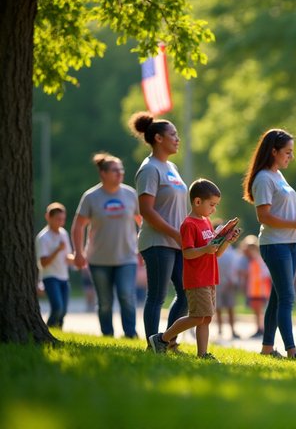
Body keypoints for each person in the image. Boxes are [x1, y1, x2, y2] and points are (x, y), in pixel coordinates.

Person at [243, 128, 296, 361]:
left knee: (278, 297)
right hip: (275, 244)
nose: (291, 157)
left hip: (290, 242)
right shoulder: (264, 178)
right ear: (273, 151)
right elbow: (263, 216)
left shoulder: (277, 174)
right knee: (287, 297)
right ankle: (292, 351)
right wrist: (293, 223)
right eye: (287, 152)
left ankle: (267, 348)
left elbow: (280, 211)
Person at [148, 179, 240, 359]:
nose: (214, 209)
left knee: (206, 318)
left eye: (216, 205)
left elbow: (216, 253)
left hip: (210, 277)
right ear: (197, 202)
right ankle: (162, 338)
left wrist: (227, 240)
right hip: (197, 279)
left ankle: (202, 354)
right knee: (198, 317)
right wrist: (206, 249)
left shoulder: (206, 221)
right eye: (212, 204)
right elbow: (187, 253)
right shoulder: (189, 224)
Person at [129, 111, 189, 349]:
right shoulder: (149, 169)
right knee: (157, 296)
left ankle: (167, 341)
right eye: (173, 134)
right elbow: (146, 210)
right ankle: (152, 344)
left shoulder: (171, 166)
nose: (178, 138)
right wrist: (175, 233)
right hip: (157, 242)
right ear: (158, 139)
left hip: (177, 242)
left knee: (186, 294)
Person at [71, 152, 140, 338]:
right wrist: (78, 253)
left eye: (121, 170)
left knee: (127, 296)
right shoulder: (91, 197)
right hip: (98, 259)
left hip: (127, 257)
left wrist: (143, 248)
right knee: (105, 302)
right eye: (115, 170)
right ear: (103, 173)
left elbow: (142, 221)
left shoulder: (130, 194)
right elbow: (78, 226)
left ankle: (130, 334)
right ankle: (107, 334)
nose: (120, 173)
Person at [36, 202, 74, 328]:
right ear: (49, 217)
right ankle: (49, 328)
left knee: (63, 311)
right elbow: (43, 263)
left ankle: (59, 332)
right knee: (57, 308)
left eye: (63, 219)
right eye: (58, 219)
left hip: (64, 277)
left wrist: (78, 259)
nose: (61, 222)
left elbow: (67, 256)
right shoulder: (43, 238)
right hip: (50, 277)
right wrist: (57, 249)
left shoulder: (63, 233)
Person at [215, 219, 243, 339]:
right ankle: (220, 330)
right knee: (218, 307)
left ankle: (232, 330)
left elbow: (234, 267)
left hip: (229, 282)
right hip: (217, 281)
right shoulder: (214, 247)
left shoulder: (230, 249)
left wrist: (233, 280)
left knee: (230, 307)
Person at [239, 235, 271, 338]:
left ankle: (261, 328)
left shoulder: (258, 259)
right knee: (257, 311)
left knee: (259, 311)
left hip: (259, 290)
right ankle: (260, 328)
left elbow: (265, 274)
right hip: (255, 289)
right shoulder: (252, 260)